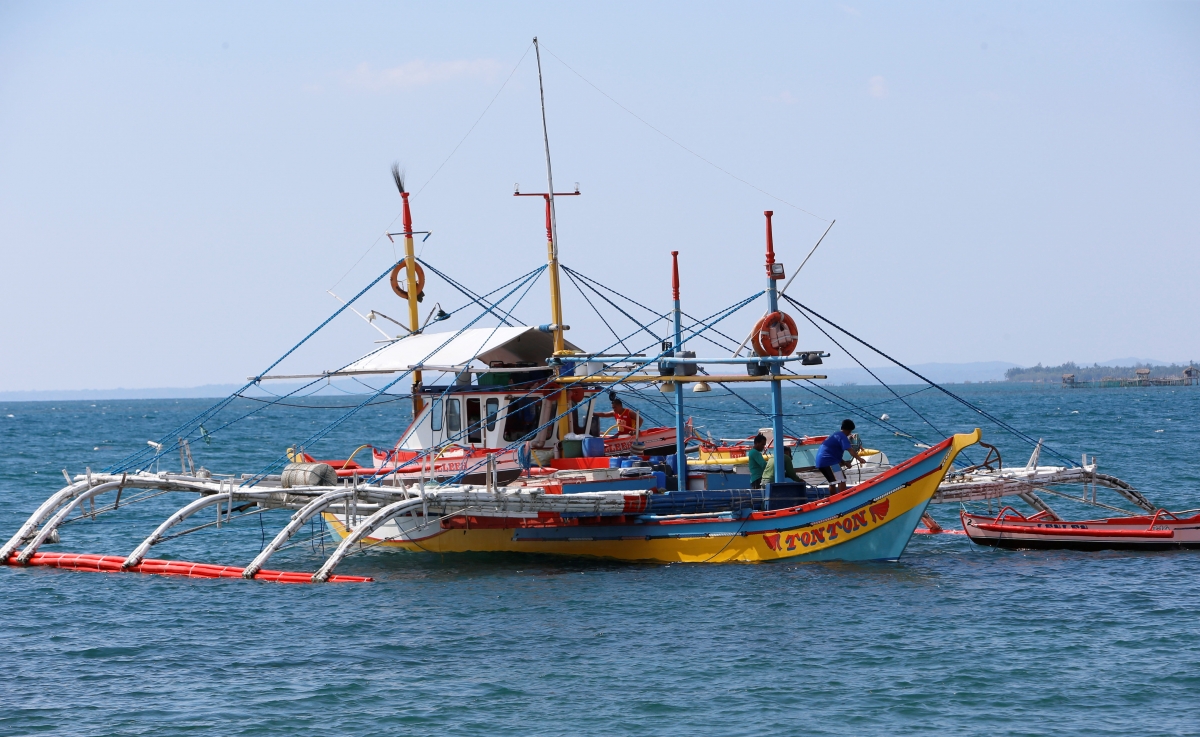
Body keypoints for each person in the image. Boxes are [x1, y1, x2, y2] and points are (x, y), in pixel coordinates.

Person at [815, 419, 863, 494]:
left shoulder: (836, 435)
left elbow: (834, 454)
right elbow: (850, 450)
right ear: (849, 430)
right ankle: (842, 498)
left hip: (820, 462)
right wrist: (860, 459)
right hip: (829, 461)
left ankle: (833, 500)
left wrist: (845, 463)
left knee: (832, 482)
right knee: (842, 480)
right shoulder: (842, 436)